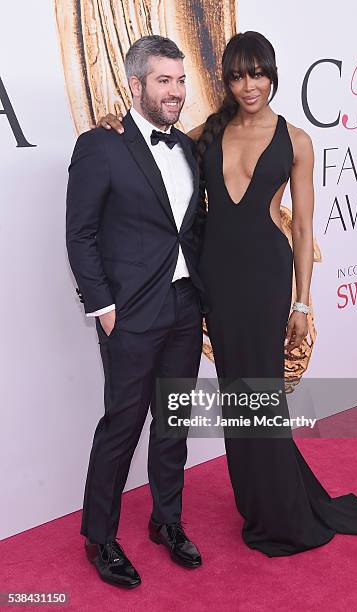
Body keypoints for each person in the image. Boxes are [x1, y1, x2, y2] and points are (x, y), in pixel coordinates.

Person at [98, 31, 357, 557]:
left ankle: (283, 511)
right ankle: (258, 501)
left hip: (267, 279)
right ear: (225, 80)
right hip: (217, 280)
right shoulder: (206, 133)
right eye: (238, 75)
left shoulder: (295, 140)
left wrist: (302, 301)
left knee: (261, 391)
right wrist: (116, 123)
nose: (249, 85)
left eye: (258, 74)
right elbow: (152, 143)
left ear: (272, 75)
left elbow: (303, 228)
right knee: (236, 396)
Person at [66, 35, 204, 589]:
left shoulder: (189, 147)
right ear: (136, 85)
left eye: (179, 80)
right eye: (163, 81)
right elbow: (81, 234)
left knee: (173, 422)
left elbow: (189, 228)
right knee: (122, 426)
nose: (175, 91)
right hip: (129, 314)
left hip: (184, 306)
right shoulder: (102, 144)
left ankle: (165, 521)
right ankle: (100, 537)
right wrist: (102, 307)